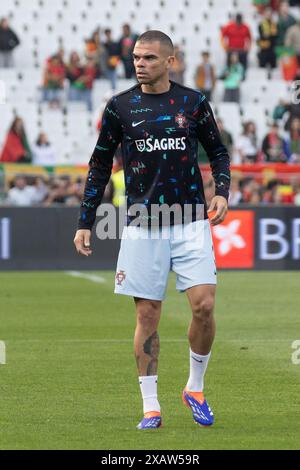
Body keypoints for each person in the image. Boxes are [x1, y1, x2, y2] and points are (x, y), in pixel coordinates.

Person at [73, 30, 230, 430]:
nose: (139, 64)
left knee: (205, 306)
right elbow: (99, 165)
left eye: (148, 58)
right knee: (148, 314)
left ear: (169, 61)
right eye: (136, 58)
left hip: (191, 219)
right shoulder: (119, 107)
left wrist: (222, 192)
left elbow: (218, 151)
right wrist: (86, 220)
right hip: (144, 225)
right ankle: (151, 407)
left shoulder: (193, 103)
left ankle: (194, 387)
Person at [221, 13, 252, 78]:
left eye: (240, 21)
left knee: (244, 61)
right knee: (228, 61)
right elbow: (222, 36)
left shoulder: (245, 27)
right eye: (237, 21)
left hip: (241, 49)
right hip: (231, 49)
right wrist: (224, 47)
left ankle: (243, 75)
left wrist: (248, 48)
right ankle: (227, 74)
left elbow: (250, 38)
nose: (238, 23)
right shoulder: (229, 26)